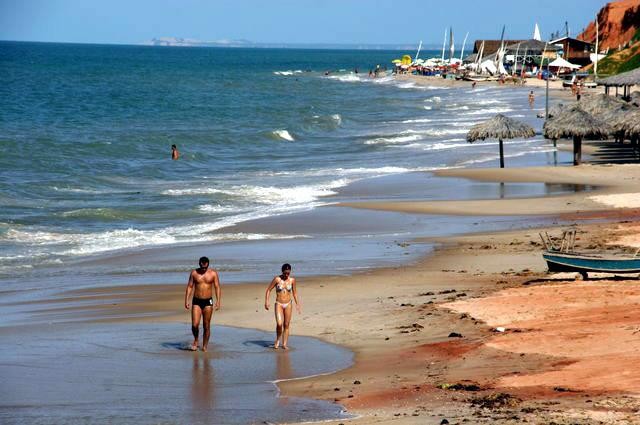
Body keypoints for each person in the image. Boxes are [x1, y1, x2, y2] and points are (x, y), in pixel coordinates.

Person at [184, 256, 221, 352]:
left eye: (205, 267)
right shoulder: (194, 273)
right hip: (196, 301)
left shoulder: (213, 274)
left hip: (208, 302)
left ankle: (204, 346)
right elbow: (189, 286)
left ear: (208, 265)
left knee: (206, 325)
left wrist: (218, 301)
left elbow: (217, 287)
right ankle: (196, 340)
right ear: (199, 264)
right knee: (194, 325)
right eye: (202, 267)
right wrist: (186, 300)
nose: (204, 269)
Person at [264, 263, 300, 349]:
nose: (287, 274)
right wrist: (266, 302)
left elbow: (294, 292)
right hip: (279, 303)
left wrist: (297, 304)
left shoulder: (292, 280)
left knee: (286, 324)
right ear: (282, 271)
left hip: (288, 304)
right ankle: (277, 340)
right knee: (279, 324)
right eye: (285, 273)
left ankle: (284, 344)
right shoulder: (277, 279)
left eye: (288, 273)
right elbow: (268, 290)